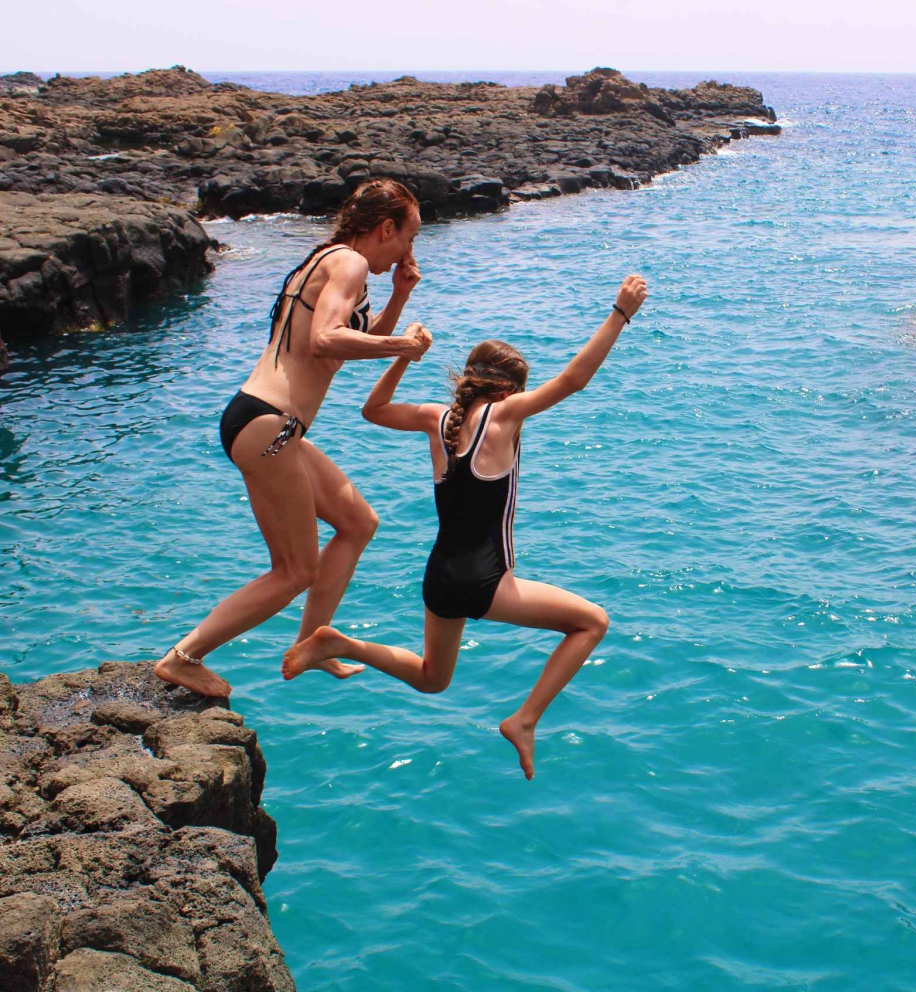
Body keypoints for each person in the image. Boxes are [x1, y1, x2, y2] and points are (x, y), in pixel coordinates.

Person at [281, 275, 650, 780]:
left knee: (434, 679)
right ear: (506, 389)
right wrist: (620, 314)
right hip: (482, 581)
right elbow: (572, 381)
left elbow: (372, 411)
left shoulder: (438, 419)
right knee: (592, 622)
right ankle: (524, 720)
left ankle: (340, 644)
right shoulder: (503, 417)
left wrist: (404, 358)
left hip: (439, 578)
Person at [155, 179, 434, 698]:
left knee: (357, 522)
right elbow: (326, 338)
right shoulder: (348, 263)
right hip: (270, 424)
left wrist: (400, 294)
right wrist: (405, 345)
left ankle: (313, 644)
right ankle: (182, 658)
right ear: (386, 228)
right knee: (293, 570)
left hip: (267, 421)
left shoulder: (329, 261)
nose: (409, 250)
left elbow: (341, 347)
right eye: (409, 237)